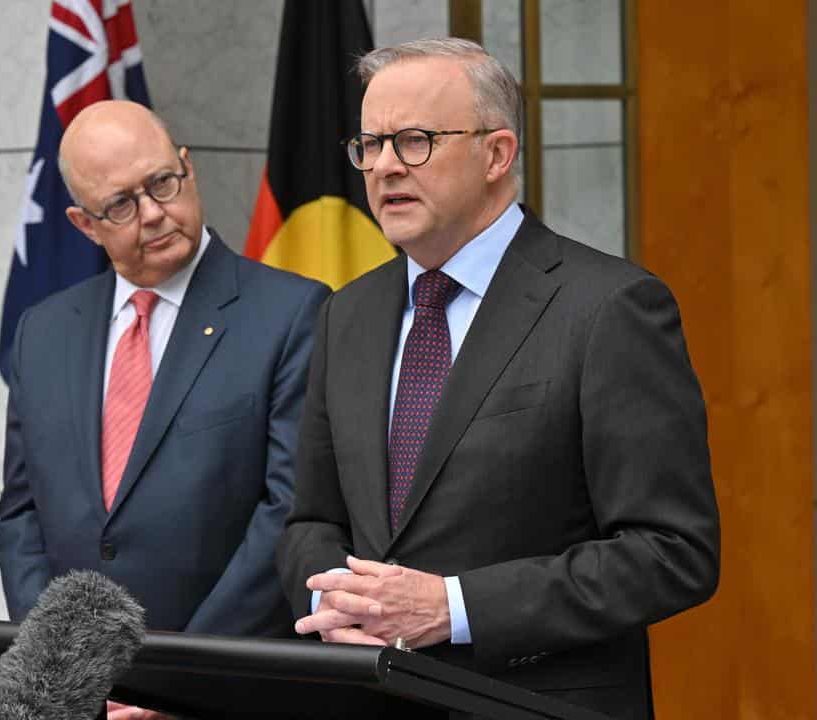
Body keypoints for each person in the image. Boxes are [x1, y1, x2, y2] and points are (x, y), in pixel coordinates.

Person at [276, 39, 719, 719]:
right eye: (369, 144)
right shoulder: (347, 314)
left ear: (497, 154)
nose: (385, 166)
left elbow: (671, 553)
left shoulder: (609, 307)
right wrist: (336, 598)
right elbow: (313, 518)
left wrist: (450, 608)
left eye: (414, 140)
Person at [0, 101, 329, 718]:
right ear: (83, 223)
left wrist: (181, 678)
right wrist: (67, 669)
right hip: (77, 697)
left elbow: (287, 513)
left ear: (188, 167)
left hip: (224, 691)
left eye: (162, 183)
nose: (153, 213)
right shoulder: (43, 330)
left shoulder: (292, 314)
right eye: (120, 204)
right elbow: (21, 516)